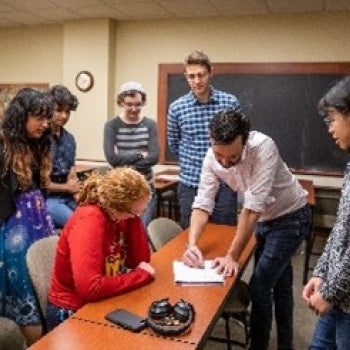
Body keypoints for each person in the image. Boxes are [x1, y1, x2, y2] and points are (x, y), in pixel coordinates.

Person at [182, 109, 312, 350]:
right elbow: (202, 204)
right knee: (280, 284)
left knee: (260, 286)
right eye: (219, 155)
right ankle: (286, 344)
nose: (225, 162)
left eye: (232, 157)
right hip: (265, 221)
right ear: (212, 140)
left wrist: (233, 255)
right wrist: (192, 244)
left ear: (244, 139)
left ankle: (258, 346)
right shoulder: (211, 158)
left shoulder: (263, 147)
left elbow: (251, 209)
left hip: (291, 218)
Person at [47, 167, 155, 331]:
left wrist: (134, 216)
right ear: (116, 207)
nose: (143, 212)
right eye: (138, 211)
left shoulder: (120, 214)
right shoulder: (90, 220)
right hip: (73, 309)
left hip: (103, 298)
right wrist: (141, 276)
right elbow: (90, 288)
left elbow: (139, 260)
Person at [0, 88, 56, 345]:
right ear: (21, 116)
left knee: (44, 281)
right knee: (25, 290)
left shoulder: (39, 142)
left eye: (47, 118)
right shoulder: (3, 145)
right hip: (14, 227)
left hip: (37, 219)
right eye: (38, 117)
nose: (45, 124)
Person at [167, 50, 241, 229]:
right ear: (186, 77)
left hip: (224, 185)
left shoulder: (230, 103)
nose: (197, 81)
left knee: (224, 237)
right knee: (190, 238)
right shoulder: (177, 108)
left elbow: (239, 142)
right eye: (191, 76)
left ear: (210, 73)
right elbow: (174, 144)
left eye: (201, 75)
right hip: (191, 185)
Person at [302, 76, 350, 349]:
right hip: (338, 291)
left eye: (333, 118)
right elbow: (342, 230)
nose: (330, 128)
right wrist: (321, 272)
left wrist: (330, 291)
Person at [103, 81, 159, 229]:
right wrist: (140, 154)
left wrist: (125, 165)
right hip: (122, 191)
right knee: (121, 233)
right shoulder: (112, 125)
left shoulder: (150, 125)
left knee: (142, 231)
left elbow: (154, 157)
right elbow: (112, 159)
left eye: (138, 104)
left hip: (146, 189)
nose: (134, 109)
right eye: (129, 104)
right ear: (121, 102)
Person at [45, 85, 81, 229]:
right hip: (48, 199)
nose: (64, 116)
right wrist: (67, 187)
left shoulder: (69, 139)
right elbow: (40, 184)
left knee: (94, 217)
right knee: (78, 224)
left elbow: (72, 175)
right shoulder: (40, 138)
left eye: (67, 111)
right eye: (59, 110)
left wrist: (79, 196)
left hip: (68, 196)